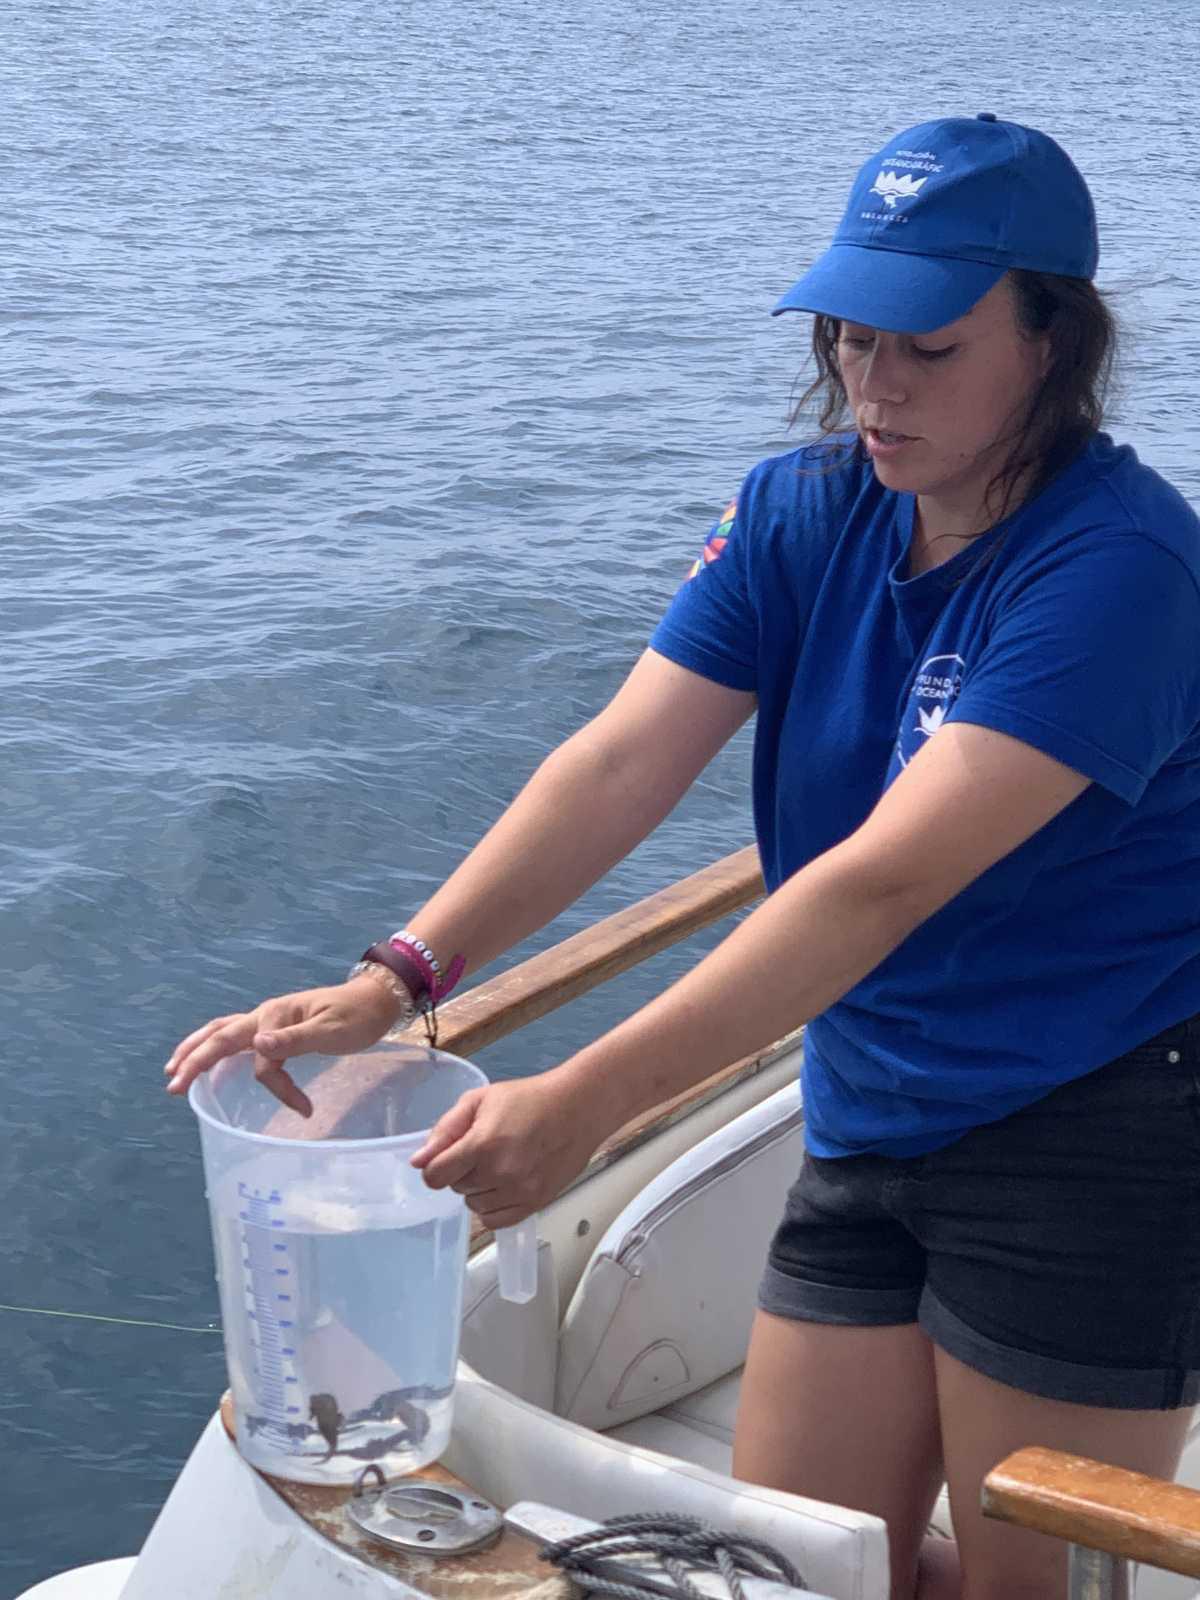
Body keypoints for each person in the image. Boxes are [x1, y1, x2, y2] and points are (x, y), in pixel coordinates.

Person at [165, 114, 1200, 1600]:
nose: (872, 382)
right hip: (870, 1096)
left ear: (1053, 341)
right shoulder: (807, 509)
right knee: (785, 1561)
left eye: (929, 346)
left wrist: (582, 1102)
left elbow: (876, 881)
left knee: (1024, 1583)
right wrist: (393, 983)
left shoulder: (1123, 573)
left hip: (1092, 1131)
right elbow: (617, 762)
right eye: (851, 333)